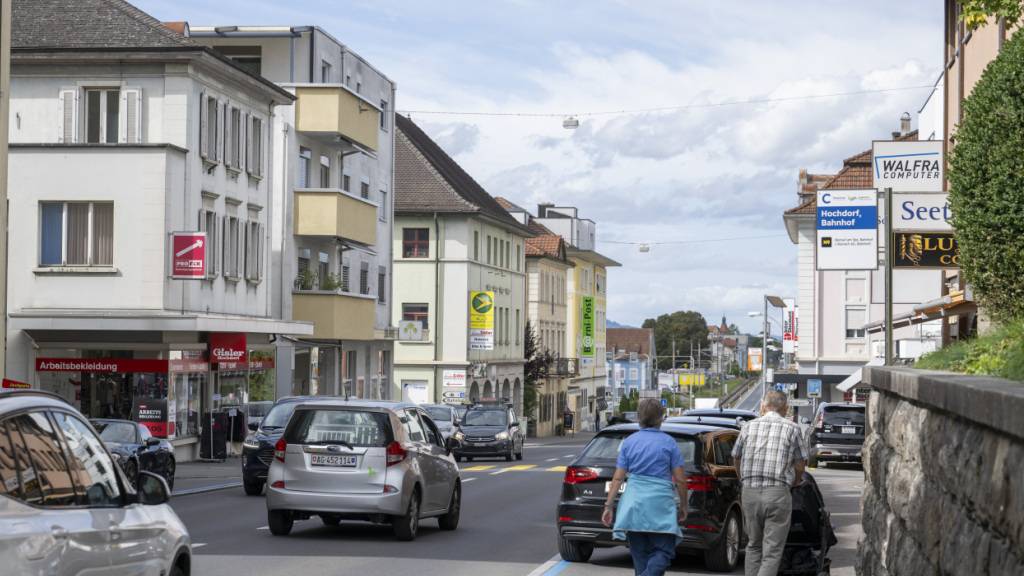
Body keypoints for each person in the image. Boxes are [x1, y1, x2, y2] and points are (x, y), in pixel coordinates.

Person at [601, 398, 687, 576]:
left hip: (634, 505)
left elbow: (618, 478)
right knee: (664, 551)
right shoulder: (669, 442)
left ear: (638, 418)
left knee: (640, 556)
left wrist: (609, 506)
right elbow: (680, 480)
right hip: (660, 506)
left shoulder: (629, 442)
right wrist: (684, 505)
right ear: (661, 418)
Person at [731, 390, 808, 576]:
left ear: (763, 406)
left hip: (750, 492)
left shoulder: (748, 427)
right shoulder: (792, 428)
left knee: (753, 545)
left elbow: (736, 456)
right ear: (786, 408)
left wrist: (743, 478)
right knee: (772, 550)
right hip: (777, 492)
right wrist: (795, 482)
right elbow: (800, 463)